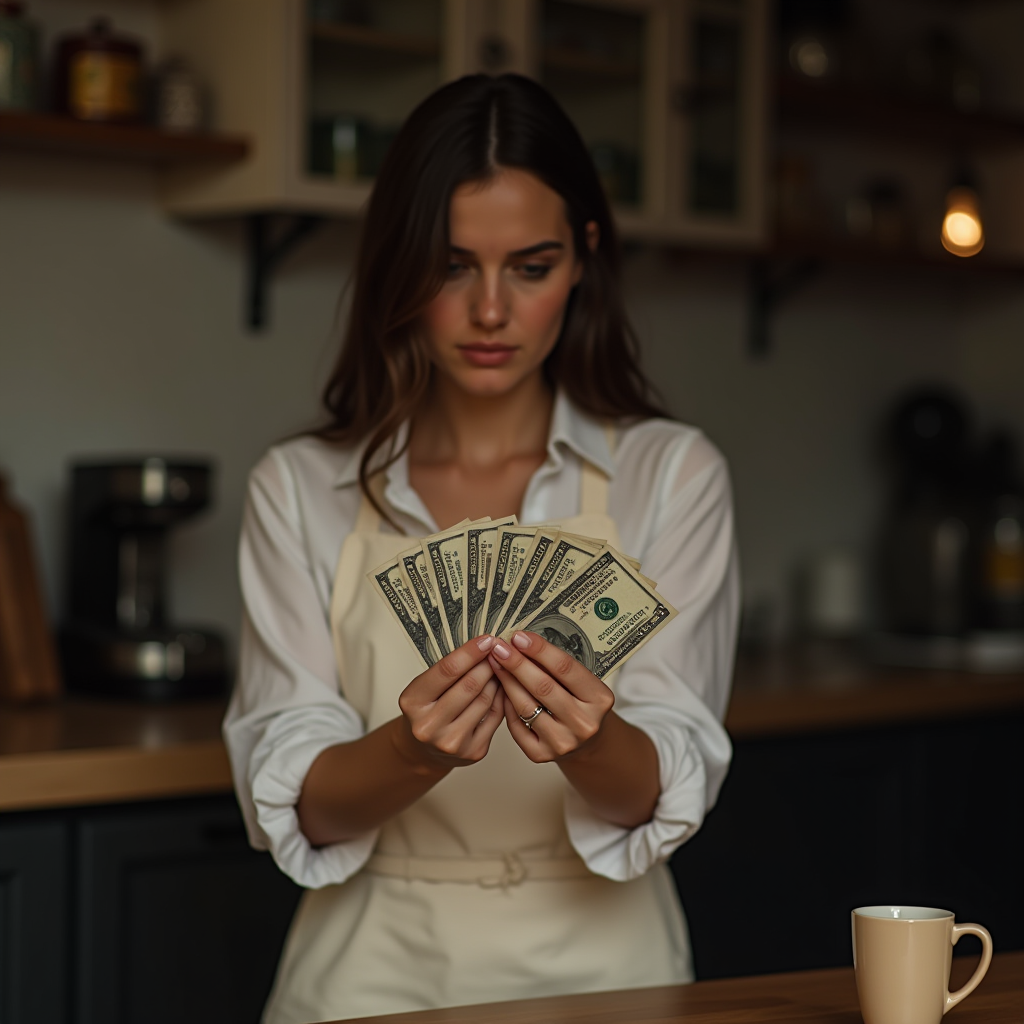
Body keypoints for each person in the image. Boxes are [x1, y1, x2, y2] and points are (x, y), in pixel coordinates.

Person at [225, 73, 739, 1024]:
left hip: (610, 971)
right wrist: (416, 751)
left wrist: (589, 742)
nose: (491, 311)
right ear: (398, 269)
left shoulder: (671, 476)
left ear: (585, 257)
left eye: (530, 267)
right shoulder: (299, 489)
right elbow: (298, 804)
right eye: (453, 266)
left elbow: (666, 783)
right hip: (365, 972)